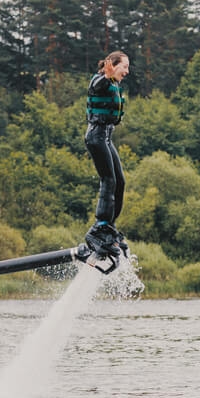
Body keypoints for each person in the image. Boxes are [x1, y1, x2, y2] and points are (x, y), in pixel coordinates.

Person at [84, 51, 130, 256]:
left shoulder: (114, 84)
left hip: (106, 137)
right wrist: (107, 75)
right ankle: (100, 228)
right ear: (112, 65)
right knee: (109, 180)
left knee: (120, 181)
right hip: (96, 136)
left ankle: (110, 228)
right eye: (124, 67)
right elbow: (96, 87)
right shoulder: (100, 80)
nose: (127, 71)